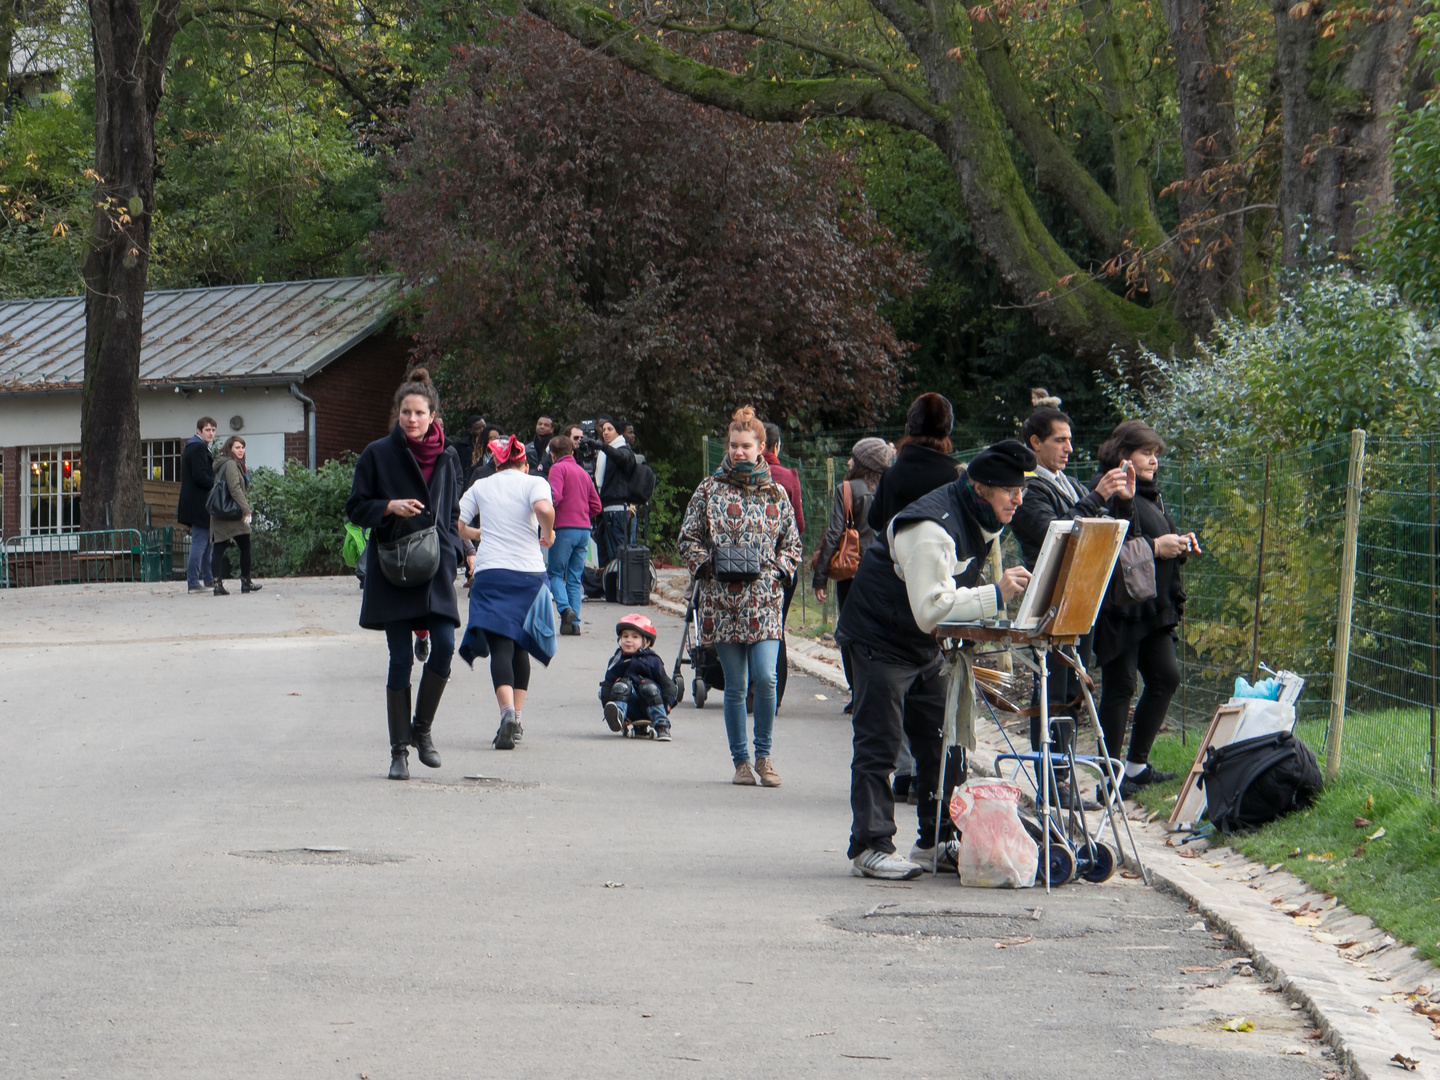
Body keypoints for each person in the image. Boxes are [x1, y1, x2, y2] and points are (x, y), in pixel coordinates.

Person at [836, 440, 1035, 879]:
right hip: (878, 635)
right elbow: (931, 608)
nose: (1019, 499)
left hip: (924, 645)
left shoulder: (980, 515)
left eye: (1022, 489)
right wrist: (995, 595)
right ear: (981, 488)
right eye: (1009, 490)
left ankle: (937, 839)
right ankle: (869, 847)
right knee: (880, 743)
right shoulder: (931, 527)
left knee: (944, 743)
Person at [1010, 402, 1135, 809]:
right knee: (1051, 692)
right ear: (1035, 443)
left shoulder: (1069, 484)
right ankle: (1052, 781)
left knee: (1073, 693)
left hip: (1078, 599)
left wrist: (1121, 500)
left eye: (1070, 440)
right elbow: (1058, 532)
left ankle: (1064, 779)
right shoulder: (1027, 489)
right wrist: (1097, 496)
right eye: (1059, 440)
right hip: (1047, 599)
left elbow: (1097, 528)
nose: (1068, 448)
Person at [345, 368, 464, 780]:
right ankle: (399, 752)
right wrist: (388, 507)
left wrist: (452, 553)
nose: (412, 419)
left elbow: (451, 512)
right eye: (405, 412)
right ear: (398, 413)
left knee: (445, 647)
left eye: (419, 412)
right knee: (399, 659)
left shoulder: (448, 456)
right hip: (393, 568)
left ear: (433, 415)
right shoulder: (378, 453)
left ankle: (422, 730)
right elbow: (355, 506)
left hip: (434, 569)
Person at [678, 406, 802, 787]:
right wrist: (706, 565)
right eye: (733, 445)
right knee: (735, 685)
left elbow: (793, 544)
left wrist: (778, 571)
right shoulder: (709, 489)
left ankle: (764, 756)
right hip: (723, 602)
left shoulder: (777, 493)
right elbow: (688, 538)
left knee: (765, 679)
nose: (738, 452)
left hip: (764, 601)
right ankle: (741, 762)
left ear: (762, 447)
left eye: (746, 445)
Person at [864, 393, 963, 801]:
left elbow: (875, 521)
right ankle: (934, 800)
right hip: (938, 589)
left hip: (890, 591)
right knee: (931, 704)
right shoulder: (955, 476)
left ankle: (902, 773)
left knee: (893, 698)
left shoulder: (897, 470)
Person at [1092, 420, 1198, 799]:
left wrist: (1178, 545)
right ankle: (1109, 776)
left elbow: (1147, 537)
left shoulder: (1150, 493)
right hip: (1121, 608)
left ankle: (1136, 766)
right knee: (1120, 687)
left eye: (1155, 454)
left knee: (1166, 677)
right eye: (1146, 453)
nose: (1154, 460)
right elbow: (1110, 548)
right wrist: (1158, 547)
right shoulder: (1107, 491)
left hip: (1153, 607)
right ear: (1124, 456)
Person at [456, 435, 558, 750]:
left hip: (492, 574)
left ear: (498, 464)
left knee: (501, 647)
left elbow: (459, 525)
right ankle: (519, 718)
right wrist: (548, 531)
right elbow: (544, 508)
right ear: (524, 464)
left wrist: (478, 534)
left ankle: (506, 713)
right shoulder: (534, 483)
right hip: (529, 575)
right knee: (522, 648)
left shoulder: (481, 486)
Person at [812, 437, 892, 709]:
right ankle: (877, 690)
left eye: (853, 457)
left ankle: (857, 691)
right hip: (886, 571)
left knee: (848, 632)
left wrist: (820, 576)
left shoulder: (847, 489)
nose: (849, 461)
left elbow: (835, 533)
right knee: (878, 631)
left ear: (862, 463)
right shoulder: (891, 488)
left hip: (852, 572)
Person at [868, 392, 964, 532]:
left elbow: (874, 521)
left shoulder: (890, 476)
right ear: (948, 429)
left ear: (910, 428)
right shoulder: (956, 475)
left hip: (895, 553)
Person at [761, 421, 804, 710]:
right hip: (781, 566)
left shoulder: (727, 478)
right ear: (776, 447)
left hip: (744, 563)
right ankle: (773, 696)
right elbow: (798, 524)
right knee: (777, 629)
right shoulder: (788, 477)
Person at [546, 433, 602, 636]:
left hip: (563, 528)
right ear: (572, 451)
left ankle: (564, 609)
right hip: (584, 530)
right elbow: (596, 505)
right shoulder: (582, 473)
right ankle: (573, 624)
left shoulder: (557, 469)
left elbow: (555, 496)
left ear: (552, 454)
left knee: (555, 573)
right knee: (574, 578)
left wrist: (545, 515)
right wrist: (583, 514)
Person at [599, 613, 677, 740]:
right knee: (621, 686)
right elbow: (607, 685)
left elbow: (667, 684)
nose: (628, 640)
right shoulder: (617, 661)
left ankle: (662, 725)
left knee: (649, 687)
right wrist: (608, 705)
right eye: (625, 636)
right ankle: (618, 717)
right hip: (628, 706)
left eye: (634, 637)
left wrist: (668, 704)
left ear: (646, 642)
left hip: (650, 704)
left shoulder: (653, 661)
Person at [210, 436, 261, 596]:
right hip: (231, 512)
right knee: (244, 545)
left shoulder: (228, 463)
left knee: (219, 547)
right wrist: (246, 509)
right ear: (229, 449)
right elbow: (235, 488)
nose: (241, 450)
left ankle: (218, 585)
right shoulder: (231, 464)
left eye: (242, 447)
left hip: (220, 512)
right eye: (237, 447)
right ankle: (246, 582)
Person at [588, 414, 636, 567]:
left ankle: (622, 587)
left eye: (610, 429)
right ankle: (608, 587)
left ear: (618, 433)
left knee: (618, 555)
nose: (605, 432)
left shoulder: (624, 450)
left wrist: (603, 447)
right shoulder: (604, 453)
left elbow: (621, 458)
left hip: (617, 511)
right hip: (604, 510)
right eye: (603, 429)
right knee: (605, 556)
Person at [177, 416, 217, 593]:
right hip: (200, 502)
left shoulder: (193, 447)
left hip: (196, 501)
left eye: (213, 430)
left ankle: (208, 580)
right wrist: (215, 484)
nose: (211, 433)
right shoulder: (199, 447)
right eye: (208, 430)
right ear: (199, 430)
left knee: (207, 542)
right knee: (201, 543)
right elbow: (200, 476)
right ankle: (193, 582)